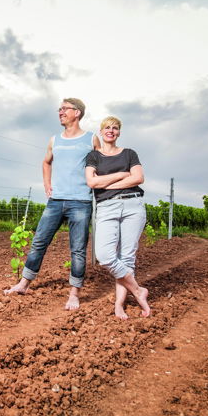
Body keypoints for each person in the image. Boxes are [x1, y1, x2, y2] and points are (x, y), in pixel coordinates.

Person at [4, 98, 100, 310]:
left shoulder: (91, 139)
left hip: (81, 202)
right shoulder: (54, 140)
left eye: (65, 109)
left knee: (77, 250)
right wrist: (47, 183)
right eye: (60, 109)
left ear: (77, 113)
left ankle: (74, 294)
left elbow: (100, 166)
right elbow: (46, 161)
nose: (60, 112)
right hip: (56, 201)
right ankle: (23, 284)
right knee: (39, 241)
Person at [85, 115, 150, 319]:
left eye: (115, 128)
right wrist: (122, 175)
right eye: (107, 127)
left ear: (119, 132)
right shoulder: (93, 156)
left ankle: (119, 305)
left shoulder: (130, 153)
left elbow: (138, 178)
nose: (110, 130)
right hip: (107, 207)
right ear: (101, 131)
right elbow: (92, 183)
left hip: (133, 205)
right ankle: (139, 291)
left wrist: (106, 183)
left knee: (127, 257)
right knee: (104, 255)